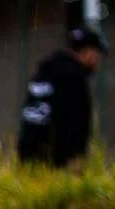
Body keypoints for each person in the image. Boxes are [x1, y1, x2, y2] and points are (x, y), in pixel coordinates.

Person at [19, 26, 107, 168]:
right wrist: (74, 157)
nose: (97, 61)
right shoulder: (73, 78)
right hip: (56, 161)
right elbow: (74, 123)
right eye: (97, 55)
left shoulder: (44, 73)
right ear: (89, 52)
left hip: (29, 154)